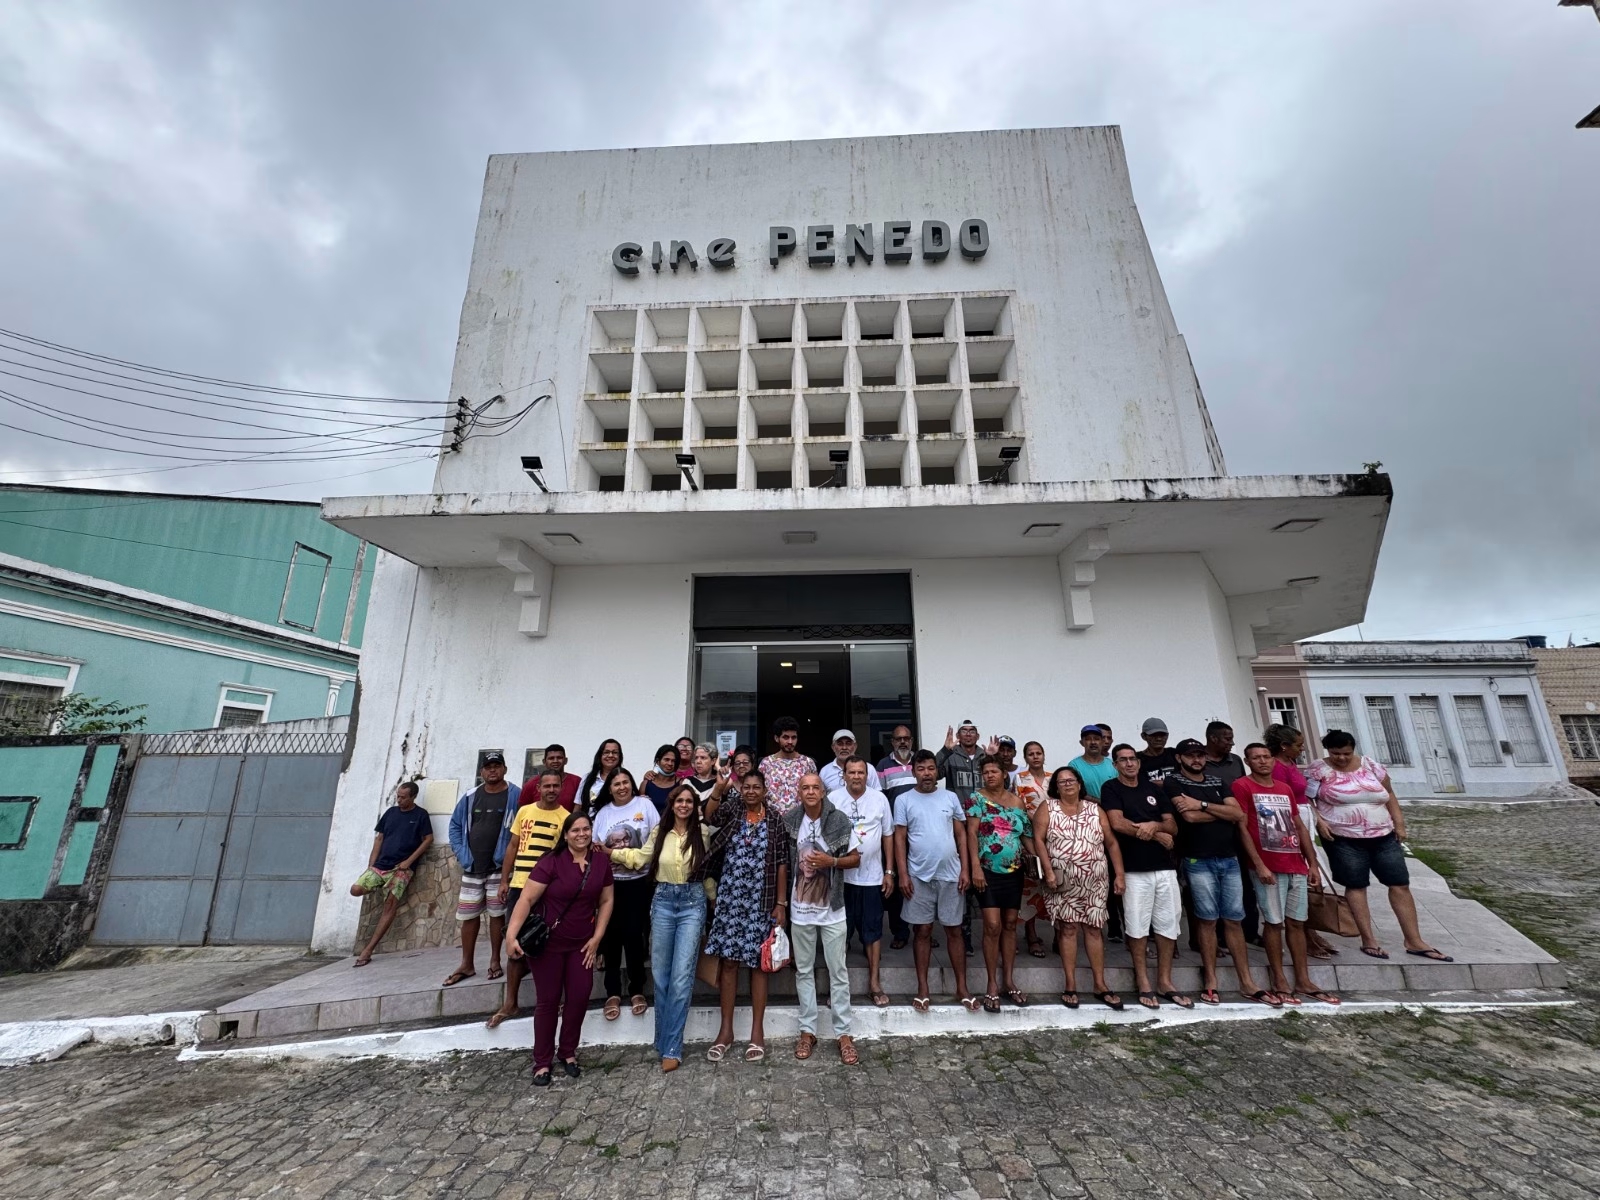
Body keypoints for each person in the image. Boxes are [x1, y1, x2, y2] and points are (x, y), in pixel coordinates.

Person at [1306, 730, 1453, 963]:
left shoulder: (1370, 765)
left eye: (1346, 753)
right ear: (1328, 751)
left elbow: (1389, 793)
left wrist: (1400, 823)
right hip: (1343, 837)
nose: (1342, 758)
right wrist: (1318, 820)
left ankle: (1414, 940)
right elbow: (1307, 799)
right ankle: (1368, 939)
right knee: (1356, 885)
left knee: (1399, 883)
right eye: (1336, 754)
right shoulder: (1318, 770)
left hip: (1383, 834)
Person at [603, 783, 713, 1072]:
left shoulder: (702, 833)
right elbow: (640, 858)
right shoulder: (659, 832)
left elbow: (708, 873)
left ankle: (673, 1047)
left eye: (690, 801)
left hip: (692, 902)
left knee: (680, 978)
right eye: (680, 800)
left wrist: (715, 902)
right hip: (663, 902)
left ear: (695, 805)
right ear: (672, 803)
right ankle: (662, 1040)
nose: (685, 805)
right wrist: (610, 852)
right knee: (662, 977)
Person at [505, 811, 614, 1086]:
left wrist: (598, 938)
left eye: (586, 829)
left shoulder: (600, 862)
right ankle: (542, 1061)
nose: (581, 834)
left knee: (579, 996)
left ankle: (567, 1052)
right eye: (575, 830)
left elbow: (607, 901)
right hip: (549, 945)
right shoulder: (551, 862)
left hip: (582, 945)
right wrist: (511, 936)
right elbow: (526, 899)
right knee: (548, 1001)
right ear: (565, 835)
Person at [1165, 739, 1277, 1006]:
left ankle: (1247, 982)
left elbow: (1237, 814)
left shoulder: (1217, 781)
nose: (1197, 760)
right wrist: (1220, 812)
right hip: (1197, 859)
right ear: (1180, 758)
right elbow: (1188, 818)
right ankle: (1211, 981)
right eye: (1191, 755)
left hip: (1229, 858)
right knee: (1207, 920)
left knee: (1234, 919)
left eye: (1200, 755)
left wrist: (1202, 806)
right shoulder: (1174, 782)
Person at [1235, 743, 1340, 1006]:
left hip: (1295, 863)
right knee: (1273, 922)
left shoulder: (1284, 789)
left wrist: (1312, 862)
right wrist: (1258, 863)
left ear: (1273, 760)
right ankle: (1280, 977)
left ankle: (1303, 978)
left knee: (1297, 921)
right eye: (1256, 758)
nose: (1262, 762)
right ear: (1248, 762)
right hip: (1268, 864)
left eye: (1266, 757)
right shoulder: (1243, 786)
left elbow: (1298, 825)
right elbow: (1242, 827)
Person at [704, 770, 790, 1062]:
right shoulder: (734, 809)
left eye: (757, 787)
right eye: (747, 787)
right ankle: (725, 1031)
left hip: (761, 901)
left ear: (765, 791)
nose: (751, 791)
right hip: (731, 900)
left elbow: (781, 861)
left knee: (758, 964)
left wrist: (781, 903)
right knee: (729, 963)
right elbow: (710, 817)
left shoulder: (775, 818)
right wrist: (718, 789)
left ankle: (757, 1032)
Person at [1102, 743, 1190, 1010]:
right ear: (1115, 764)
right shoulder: (1111, 789)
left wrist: (1155, 826)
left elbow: (1172, 825)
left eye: (1132, 759)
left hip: (1164, 868)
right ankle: (1143, 981)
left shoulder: (1154, 789)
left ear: (1139, 764)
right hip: (1133, 867)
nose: (1129, 764)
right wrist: (1157, 833)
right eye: (1123, 760)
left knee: (1167, 925)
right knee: (1137, 927)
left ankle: (1164, 980)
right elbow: (1116, 823)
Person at [1033, 765, 1124, 1010]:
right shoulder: (1047, 808)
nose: (1067, 784)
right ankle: (1070, 984)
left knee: (1094, 929)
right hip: (1061, 880)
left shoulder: (1096, 810)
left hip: (1095, 880)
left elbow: (1112, 844)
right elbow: (1039, 841)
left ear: (1080, 784)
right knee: (1068, 929)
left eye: (1071, 780)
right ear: (1056, 787)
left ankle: (1100, 984)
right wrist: (1048, 870)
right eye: (1062, 781)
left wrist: (1120, 875)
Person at [784, 774, 860, 1065]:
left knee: (837, 971)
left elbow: (856, 858)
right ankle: (808, 1031)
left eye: (816, 787)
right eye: (806, 787)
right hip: (800, 910)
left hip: (832, 909)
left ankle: (843, 1034)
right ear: (799, 791)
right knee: (803, 971)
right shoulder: (791, 820)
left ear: (823, 791)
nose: (811, 791)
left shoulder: (838, 819)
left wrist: (832, 862)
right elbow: (783, 862)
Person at [488, 768, 570, 1027]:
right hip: (518, 885)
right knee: (513, 943)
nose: (551, 790)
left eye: (556, 785)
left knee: (551, 944)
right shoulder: (524, 812)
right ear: (538, 788)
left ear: (561, 787)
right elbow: (513, 845)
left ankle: (555, 998)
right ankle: (510, 1002)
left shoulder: (565, 818)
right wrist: (504, 879)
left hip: (548, 890)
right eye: (547, 786)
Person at [895, 749, 974, 1012]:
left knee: (954, 930)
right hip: (918, 876)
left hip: (952, 875)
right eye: (921, 769)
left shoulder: (950, 797)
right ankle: (923, 988)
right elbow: (899, 838)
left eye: (931, 768)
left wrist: (966, 869)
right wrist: (902, 874)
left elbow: (961, 835)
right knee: (922, 931)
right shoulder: (904, 800)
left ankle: (962, 987)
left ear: (936, 771)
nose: (927, 773)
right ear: (913, 771)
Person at [444, 753, 521, 988]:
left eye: (497, 766)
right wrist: (461, 853)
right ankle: (467, 963)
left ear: (505, 769)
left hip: (500, 867)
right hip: (472, 867)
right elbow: (455, 826)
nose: (492, 771)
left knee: (497, 915)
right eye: (488, 767)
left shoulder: (515, 795)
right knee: (469, 916)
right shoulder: (469, 797)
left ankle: (495, 960)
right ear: (481, 772)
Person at [589, 767, 660, 1020]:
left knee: (634, 934)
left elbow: (656, 839)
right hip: (610, 884)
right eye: (616, 783)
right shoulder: (604, 813)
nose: (622, 787)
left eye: (625, 782)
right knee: (610, 936)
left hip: (639, 883)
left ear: (632, 783)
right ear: (609, 788)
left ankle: (637, 988)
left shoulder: (645, 806)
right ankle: (612, 992)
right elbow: (596, 848)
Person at [1265, 724, 1337, 960]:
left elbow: (1304, 794)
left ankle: (1312, 931)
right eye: (1297, 744)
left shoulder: (1291, 764)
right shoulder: (1277, 768)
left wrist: (1317, 819)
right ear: (1284, 746)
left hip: (1304, 815)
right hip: (1291, 821)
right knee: (1306, 880)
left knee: (1316, 879)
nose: (1302, 748)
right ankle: (1305, 934)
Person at [828, 757, 895, 1008]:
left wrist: (889, 872)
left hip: (872, 878)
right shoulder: (833, 799)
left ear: (867, 775)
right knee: (839, 933)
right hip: (840, 880)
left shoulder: (879, 799)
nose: (856, 776)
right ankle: (837, 988)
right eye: (852, 772)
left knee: (872, 930)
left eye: (861, 772)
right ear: (843, 775)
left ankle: (874, 983)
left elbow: (888, 835)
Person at [966, 755, 1030, 1011]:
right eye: (986, 772)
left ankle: (1009, 980)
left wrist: (1044, 864)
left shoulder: (1018, 802)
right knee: (992, 925)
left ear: (1005, 774)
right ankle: (992, 983)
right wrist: (974, 868)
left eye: (994, 771)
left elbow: (1026, 836)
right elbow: (971, 833)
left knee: (1011, 924)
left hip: (1014, 871)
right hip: (987, 871)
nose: (989, 775)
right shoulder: (976, 799)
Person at [351, 781, 433, 967]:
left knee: (390, 904)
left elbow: (428, 839)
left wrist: (409, 862)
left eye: (403, 797)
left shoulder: (420, 815)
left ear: (413, 797)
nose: (399, 800)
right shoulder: (390, 813)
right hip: (381, 865)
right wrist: (371, 865)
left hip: (401, 869)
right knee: (355, 889)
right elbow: (379, 838)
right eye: (398, 796)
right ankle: (379, 885)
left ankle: (368, 950)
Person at [876, 724, 918, 948]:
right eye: (898, 739)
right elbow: (880, 801)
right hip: (893, 834)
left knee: (920, 882)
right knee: (895, 884)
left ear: (911, 741)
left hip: (920, 833)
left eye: (906, 738)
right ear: (892, 742)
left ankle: (923, 931)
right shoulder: (883, 766)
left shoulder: (919, 762)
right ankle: (900, 932)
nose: (902, 742)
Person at [1013, 740, 1051, 958]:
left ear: (1044, 755)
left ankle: (1059, 933)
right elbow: (1018, 807)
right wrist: (1036, 824)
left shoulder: (1054, 777)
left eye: (1039, 753)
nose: (1035, 756)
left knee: (1056, 884)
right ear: (1025, 758)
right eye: (1031, 754)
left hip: (1054, 836)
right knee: (1031, 887)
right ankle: (1032, 934)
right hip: (1029, 835)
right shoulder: (1019, 779)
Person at [757, 716, 816, 816]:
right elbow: (759, 794)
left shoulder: (807, 763)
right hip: (772, 823)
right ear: (776, 738)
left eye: (793, 737)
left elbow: (815, 792)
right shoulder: (766, 763)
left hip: (801, 822)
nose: (790, 742)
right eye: (785, 737)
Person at [524, 744, 580, 811]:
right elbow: (524, 811)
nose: (555, 761)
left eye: (559, 758)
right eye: (551, 758)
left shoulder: (577, 782)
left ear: (565, 760)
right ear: (544, 762)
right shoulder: (531, 784)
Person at [1067, 724, 1117, 799]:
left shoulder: (1112, 764)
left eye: (1097, 739)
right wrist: (1098, 802)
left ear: (1102, 742)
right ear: (1081, 743)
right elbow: (1075, 791)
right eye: (1088, 739)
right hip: (1086, 809)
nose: (1093, 742)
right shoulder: (1074, 765)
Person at [578, 739, 623, 816]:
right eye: (606, 752)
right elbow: (578, 806)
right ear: (600, 756)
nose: (610, 755)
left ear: (620, 756)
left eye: (615, 752)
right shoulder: (587, 779)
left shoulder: (624, 779)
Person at [1137, 718, 1179, 786]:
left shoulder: (1175, 754)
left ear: (1167, 736)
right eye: (1153, 735)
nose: (1158, 739)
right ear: (1143, 736)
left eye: (1162, 735)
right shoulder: (1136, 759)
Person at [641, 744, 680, 814]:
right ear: (658, 761)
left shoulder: (681, 784)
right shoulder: (646, 784)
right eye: (666, 759)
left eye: (673, 761)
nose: (670, 763)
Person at [683, 743, 723, 813]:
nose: (698, 761)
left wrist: (717, 766)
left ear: (713, 761)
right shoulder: (688, 781)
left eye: (703, 758)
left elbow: (728, 782)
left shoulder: (718, 782)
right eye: (696, 758)